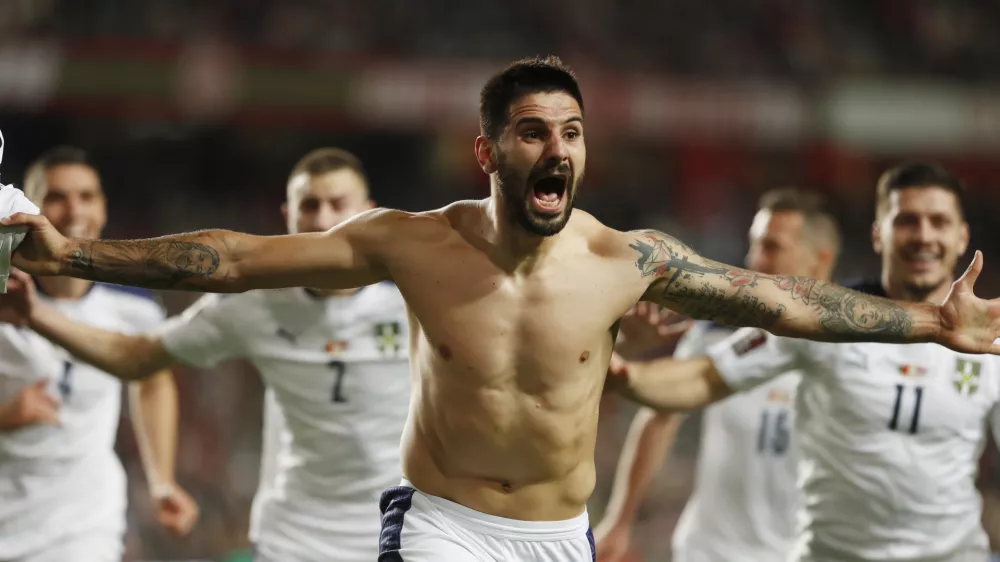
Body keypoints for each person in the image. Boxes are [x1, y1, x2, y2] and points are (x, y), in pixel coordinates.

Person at [4, 57, 1000, 562]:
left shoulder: (626, 260)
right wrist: (75, 253)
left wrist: (928, 322)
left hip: (558, 535)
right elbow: (231, 259)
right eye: (531, 131)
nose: (556, 147)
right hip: (443, 524)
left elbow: (782, 300)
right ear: (490, 154)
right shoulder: (412, 243)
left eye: (570, 130)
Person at [1, 148, 412, 562]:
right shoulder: (254, 306)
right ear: (287, 215)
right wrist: (36, 316)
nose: (323, 220)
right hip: (294, 538)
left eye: (338, 205)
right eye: (309, 206)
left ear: (367, 213)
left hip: (401, 529)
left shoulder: (415, 303)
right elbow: (138, 357)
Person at [611, 163, 1000, 561]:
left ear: (961, 236)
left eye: (938, 221)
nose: (923, 235)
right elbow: (702, 379)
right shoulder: (822, 319)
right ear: (878, 233)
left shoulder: (992, 342)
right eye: (907, 220)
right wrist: (621, 372)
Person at [594, 188, 841, 562]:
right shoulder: (715, 334)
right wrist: (620, 519)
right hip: (712, 551)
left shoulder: (853, 353)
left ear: (821, 261)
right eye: (754, 244)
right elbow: (661, 417)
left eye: (772, 247)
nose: (754, 259)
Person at [0, 146, 198, 562]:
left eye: (87, 196)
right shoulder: (5, 296)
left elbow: (152, 378)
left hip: (83, 525)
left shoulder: (136, 307)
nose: (74, 210)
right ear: (27, 210)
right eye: (56, 196)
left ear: (103, 208)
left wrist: (162, 479)